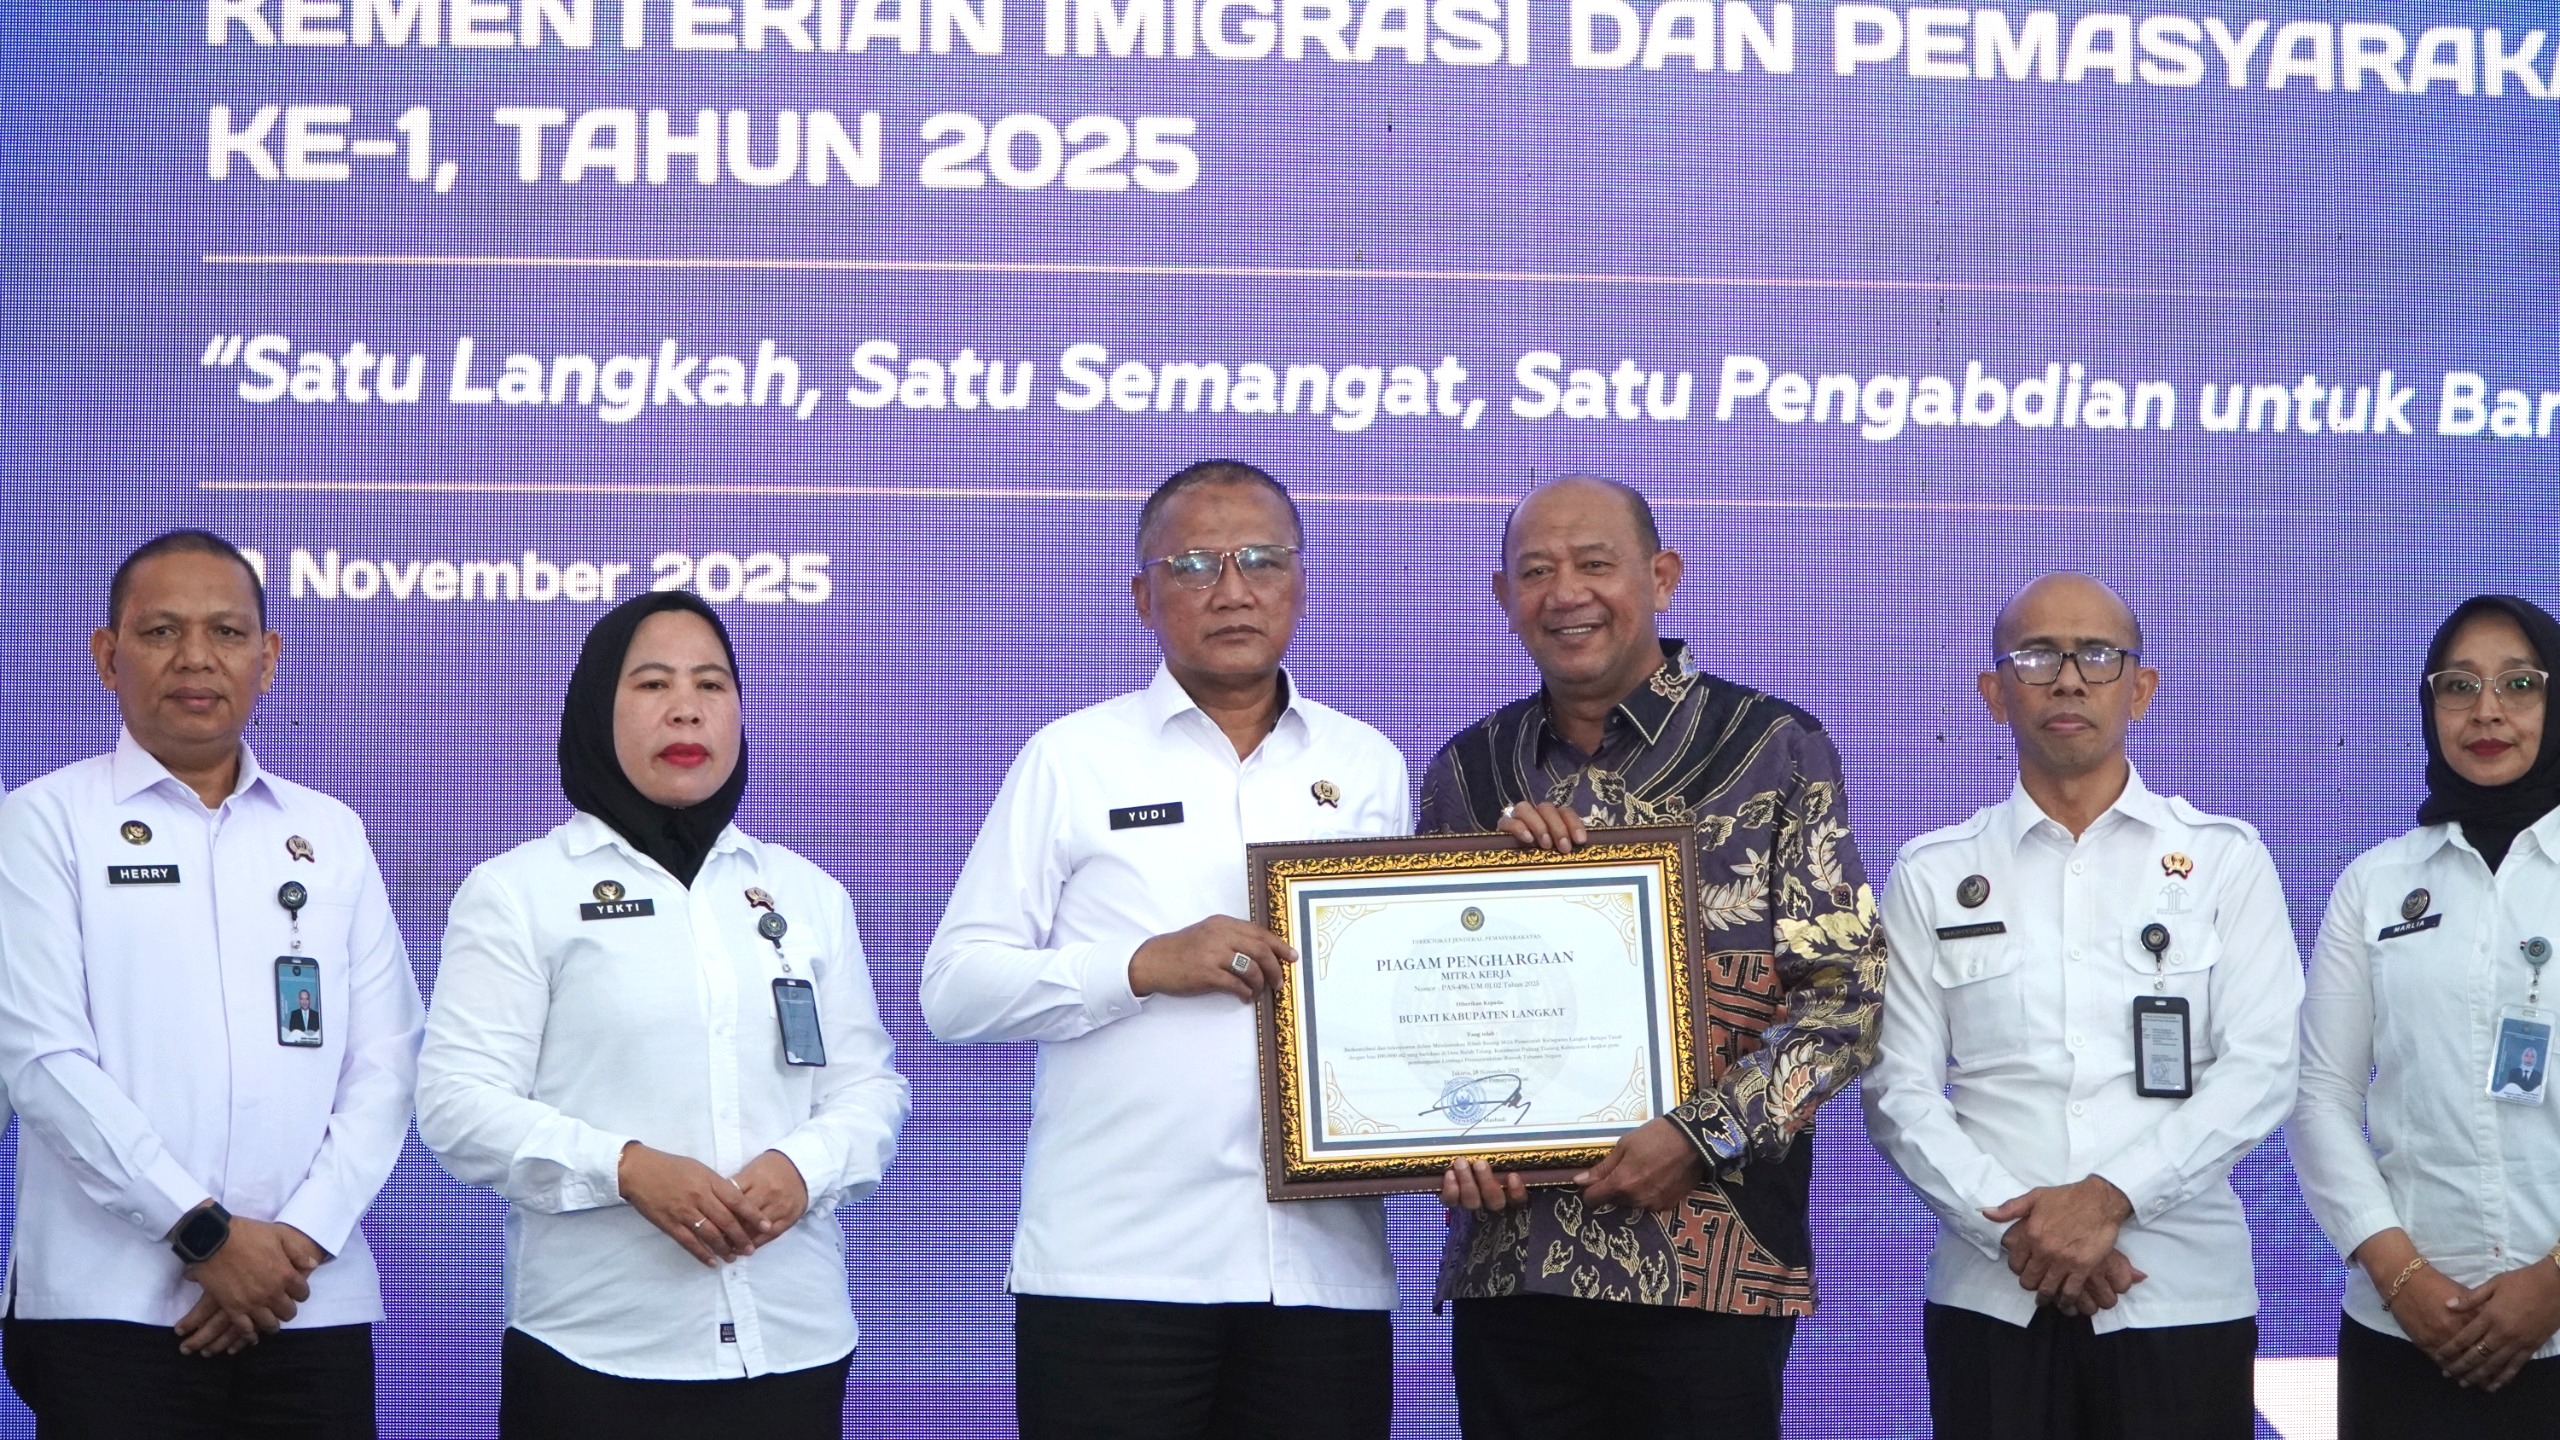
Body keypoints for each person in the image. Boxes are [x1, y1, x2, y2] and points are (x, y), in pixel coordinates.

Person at [921, 460, 1411, 1440]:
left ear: (1301, 584)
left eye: (1261, 560)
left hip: (1322, 1272)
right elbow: (955, 989)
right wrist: (1140, 966)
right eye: (1192, 565)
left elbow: (1400, 997)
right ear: (1142, 597)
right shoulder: (1072, 759)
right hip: (1117, 1271)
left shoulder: (1366, 765)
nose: (1232, 590)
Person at [1426, 475, 1885, 1440]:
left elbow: (1844, 1004)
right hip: (1514, 1269)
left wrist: (1699, 1136)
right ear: (1502, 597)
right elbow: (1432, 1021)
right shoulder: (1468, 771)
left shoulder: (1772, 747)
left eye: (1595, 564)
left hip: (1708, 1270)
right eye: (1535, 572)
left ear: (1662, 577)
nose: (1566, 593)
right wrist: (1446, 1146)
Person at [415, 591, 909, 1440]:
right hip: (596, 1351)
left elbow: (870, 1090)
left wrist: (802, 1167)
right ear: (595, 710)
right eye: (652, 684)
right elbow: (457, 1105)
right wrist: (626, 1168)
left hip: (793, 1341)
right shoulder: (519, 892)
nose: (686, 708)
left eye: (711, 684)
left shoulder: (805, 893)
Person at [0, 529, 424, 1437]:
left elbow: (388, 1061)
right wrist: (203, 1236)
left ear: (267, 659)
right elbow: (41, 1058)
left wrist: (292, 1245)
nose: (196, 657)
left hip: (307, 1301)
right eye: (161, 631)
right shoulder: (40, 824)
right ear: (106, 657)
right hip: (109, 1309)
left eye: (227, 633)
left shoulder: (331, 834)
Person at [1863, 572, 2303, 1440]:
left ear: (2141, 688)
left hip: (2178, 1292)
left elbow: (2262, 1068)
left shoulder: (2224, 859)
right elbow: (1896, 1090)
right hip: (1993, 1295)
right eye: (2036, 657)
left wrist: (2108, 1201)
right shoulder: (1933, 873)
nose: (2068, 680)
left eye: (2098, 656)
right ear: (1994, 694)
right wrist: (2021, 1234)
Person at [2290, 594, 2560, 1435]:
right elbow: (2320, 1095)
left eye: (2519, 683)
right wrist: (2401, 1278)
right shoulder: (2375, 884)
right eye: (2459, 686)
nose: (2487, 711)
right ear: (2429, 706)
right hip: (2403, 1333)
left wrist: (2554, 1283)